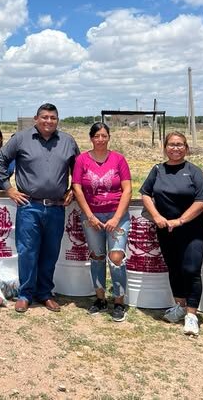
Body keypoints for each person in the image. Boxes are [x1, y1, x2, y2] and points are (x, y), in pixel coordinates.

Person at [0, 103, 79, 313]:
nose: (49, 121)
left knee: (50, 252)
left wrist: (74, 190)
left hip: (56, 207)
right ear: (36, 119)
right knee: (28, 252)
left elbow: (79, 168)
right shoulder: (21, 138)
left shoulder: (67, 141)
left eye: (53, 118)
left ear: (57, 120)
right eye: (45, 117)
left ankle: (45, 293)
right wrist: (8, 189)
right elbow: (0, 161)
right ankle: (25, 294)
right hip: (29, 206)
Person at [140, 131, 203, 336]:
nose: (175, 148)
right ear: (165, 148)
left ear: (186, 148)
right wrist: (156, 216)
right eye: (171, 144)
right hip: (165, 229)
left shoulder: (194, 171)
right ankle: (180, 306)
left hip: (192, 229)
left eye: (180, 145)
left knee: (191, 269)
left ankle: (191, 315)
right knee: (174, 268)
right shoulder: (157, 170)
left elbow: (202, 200)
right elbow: (145, 194)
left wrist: (180, 221)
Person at [72, 122, 132, 322]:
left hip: (117, 215)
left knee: (116, 257)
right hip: (92, 217)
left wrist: (116, 217)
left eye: (104, 135)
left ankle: (119, 301)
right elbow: (77, 188)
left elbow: (127, 189)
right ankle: (100, 299)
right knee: (97, 256)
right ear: (91, 138)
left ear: (109, 137)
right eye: (96, 136)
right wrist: (90, 216)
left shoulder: (119, 159)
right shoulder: (81, 160)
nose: (100, 139)